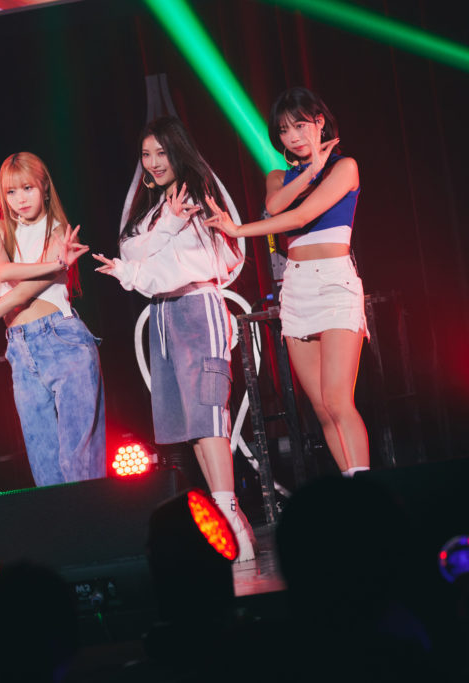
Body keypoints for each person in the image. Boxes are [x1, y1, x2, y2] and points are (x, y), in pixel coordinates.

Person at [93, 117, 254, 561]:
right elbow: (131, 253)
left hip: (198, 307)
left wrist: (138, 266)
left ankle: (231, 517)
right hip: (164, 315)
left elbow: (179, 264)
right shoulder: (153, 212)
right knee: (191, 427)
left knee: (209, 417)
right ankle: (228, 519)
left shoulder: (198, 198)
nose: (154, 162)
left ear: (178, 151)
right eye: (146, 154)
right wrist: (155, 241)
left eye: (161, 152)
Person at [205, 87, 369, 478]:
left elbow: (301, 216)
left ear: (320, 122)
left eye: (299, 125)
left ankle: (367, 492)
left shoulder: (345, 167)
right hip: (297, 287)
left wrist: (237, 230)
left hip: (334, 282)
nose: (292, 136)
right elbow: (275, 206)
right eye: (283, 130)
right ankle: (351, 486)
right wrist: (309, 170)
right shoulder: (278, 177)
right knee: (321, 407)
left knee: (337, 400)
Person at [0, 152, 105, 486]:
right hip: (20, 348)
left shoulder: (59, 234)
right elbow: (4, 271)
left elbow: (20, 294)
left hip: (63, 340)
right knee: (44, 466)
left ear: (45, 187)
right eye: (11, 191)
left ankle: (94, 520)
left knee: (81, 465)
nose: (20, 198)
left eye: (28, 188)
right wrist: (58, 265)